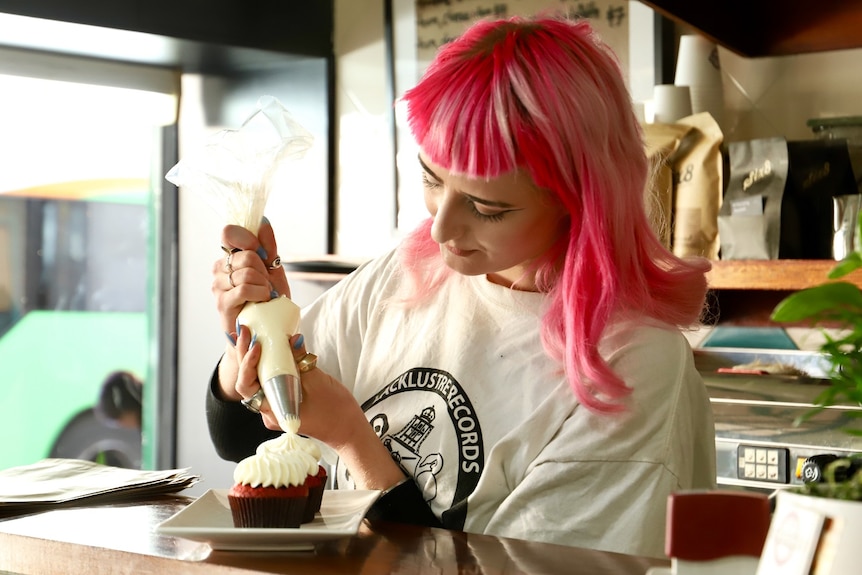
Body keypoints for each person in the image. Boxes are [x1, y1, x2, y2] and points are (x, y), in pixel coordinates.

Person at [206, 15, 716, 558]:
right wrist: (255, 357)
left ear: (579, 201)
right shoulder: (408, 273)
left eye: (486, 207)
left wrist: (354, 440)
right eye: (432, 179)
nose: (442, 229)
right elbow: (250, 448)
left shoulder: (633, 365)